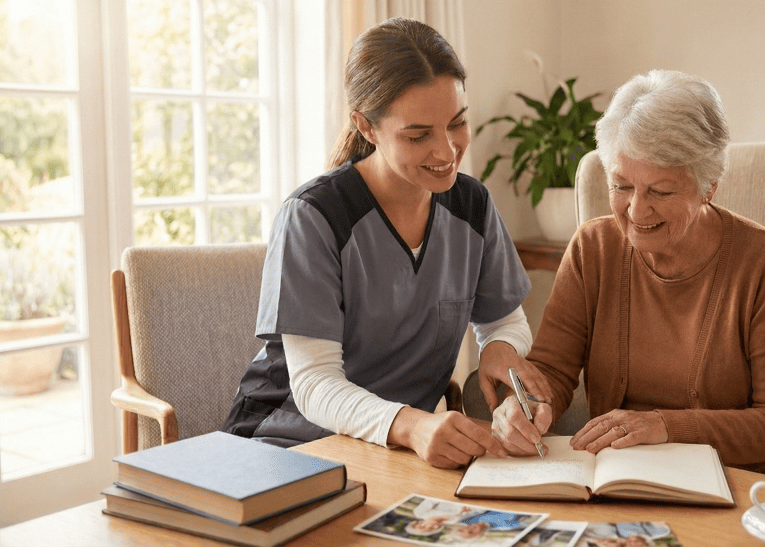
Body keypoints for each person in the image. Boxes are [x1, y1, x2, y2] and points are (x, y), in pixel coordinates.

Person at [221, 17, 533, 469]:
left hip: (395, 452)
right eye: (418, 134)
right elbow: (313, 384)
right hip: (287, 446)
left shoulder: (472, 207)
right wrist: (412, 425)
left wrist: (500, 349)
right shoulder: (315, 216)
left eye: (457, 123)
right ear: (366, 126)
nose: (447, 151)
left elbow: (507, 322)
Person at [482, 70, 765, 474]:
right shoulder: (593, 249)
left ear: (709, 186)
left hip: (743, 482)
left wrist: (665, 426)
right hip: (627, 478)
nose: (637, 211)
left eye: (660, 191)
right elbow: (552, 371)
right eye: (621, 186)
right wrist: (524, 406)